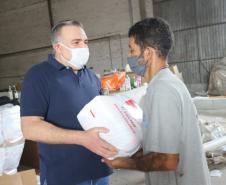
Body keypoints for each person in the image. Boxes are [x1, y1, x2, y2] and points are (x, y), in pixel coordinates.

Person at [103, 17, 211, 185]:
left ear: (147, 53)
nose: (129, 56)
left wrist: (122, 162)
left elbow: (167, 161)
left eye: (132, 50)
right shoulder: (164, 84)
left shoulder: (162, 90)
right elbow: (156, 144)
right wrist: (126, 152)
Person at [20, 20, 117, 185]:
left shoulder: (92, 77)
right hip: (65, 176)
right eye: (76, 42)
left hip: (101, 170)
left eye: (85, 42)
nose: (83, 47)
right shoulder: (38, 76)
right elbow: (29, 128)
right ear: (58, 47)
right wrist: (82, 138)